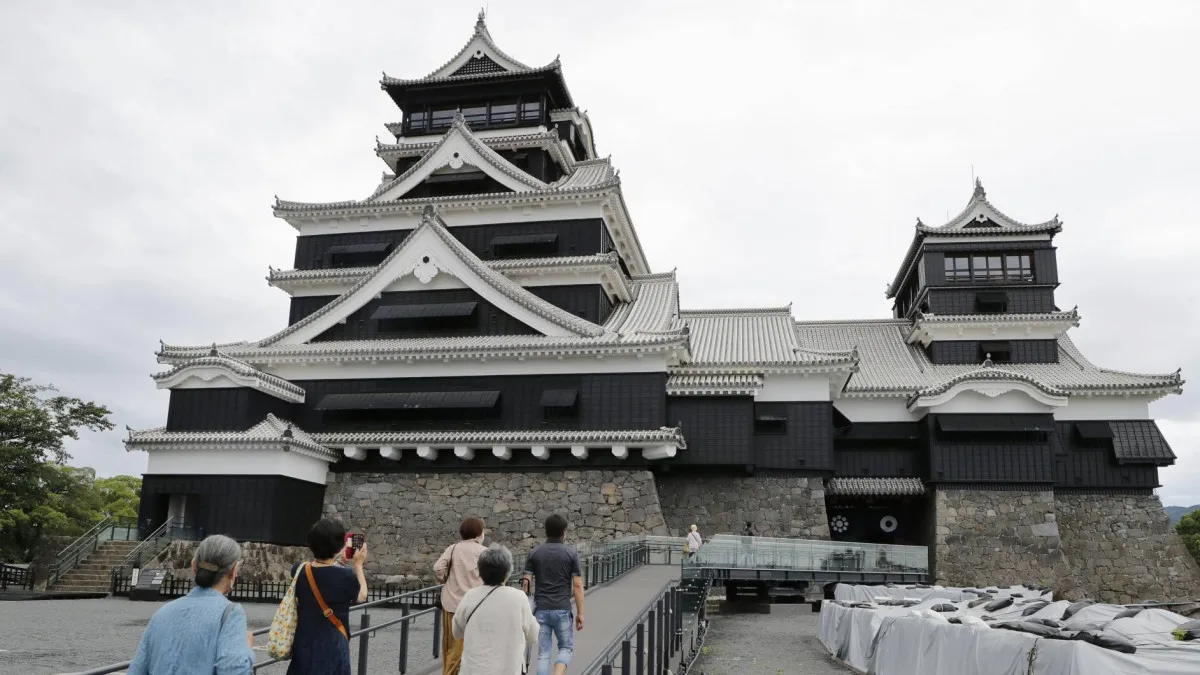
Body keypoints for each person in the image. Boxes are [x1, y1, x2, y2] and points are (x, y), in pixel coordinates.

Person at [127, 534, 254, 675]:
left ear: (194, 566)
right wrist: (247, 648)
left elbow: (137, 669)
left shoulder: (163, 612)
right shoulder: (231, 614)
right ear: (234, 570)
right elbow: (233, 670)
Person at [286, 518, 369, 675]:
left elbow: (320, 574)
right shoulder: (346, 577)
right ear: (339, 547)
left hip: (304, 646)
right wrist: (358, 565)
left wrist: (340, 561)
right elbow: (362, 596)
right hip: (333, 647)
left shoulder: (299, 570)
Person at [453, 544, 539, 675]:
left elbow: (456, 632)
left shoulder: (470, 596)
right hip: (508, 669)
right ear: (507, 572)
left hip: (473, 669)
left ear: (481, 571)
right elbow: (533, 635)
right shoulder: (518, 597)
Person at [522, 514, 584, 675]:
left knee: (543, 653)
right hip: (562, 608)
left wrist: (524, 609)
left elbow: (526, 583)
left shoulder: (534, 553)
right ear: (564, 532)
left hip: (541, 609)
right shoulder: (571, 554)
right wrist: (581, 613)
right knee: (566, 647)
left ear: (546, 531)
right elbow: (577, 586)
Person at [434, 516, 488, 675]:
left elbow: (438, 568)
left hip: (452, 604)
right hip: (477, 606)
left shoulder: (453, 548)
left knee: (453, 647)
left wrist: (445, 579)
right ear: (479, 533)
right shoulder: (485, 552)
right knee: (477, 646)